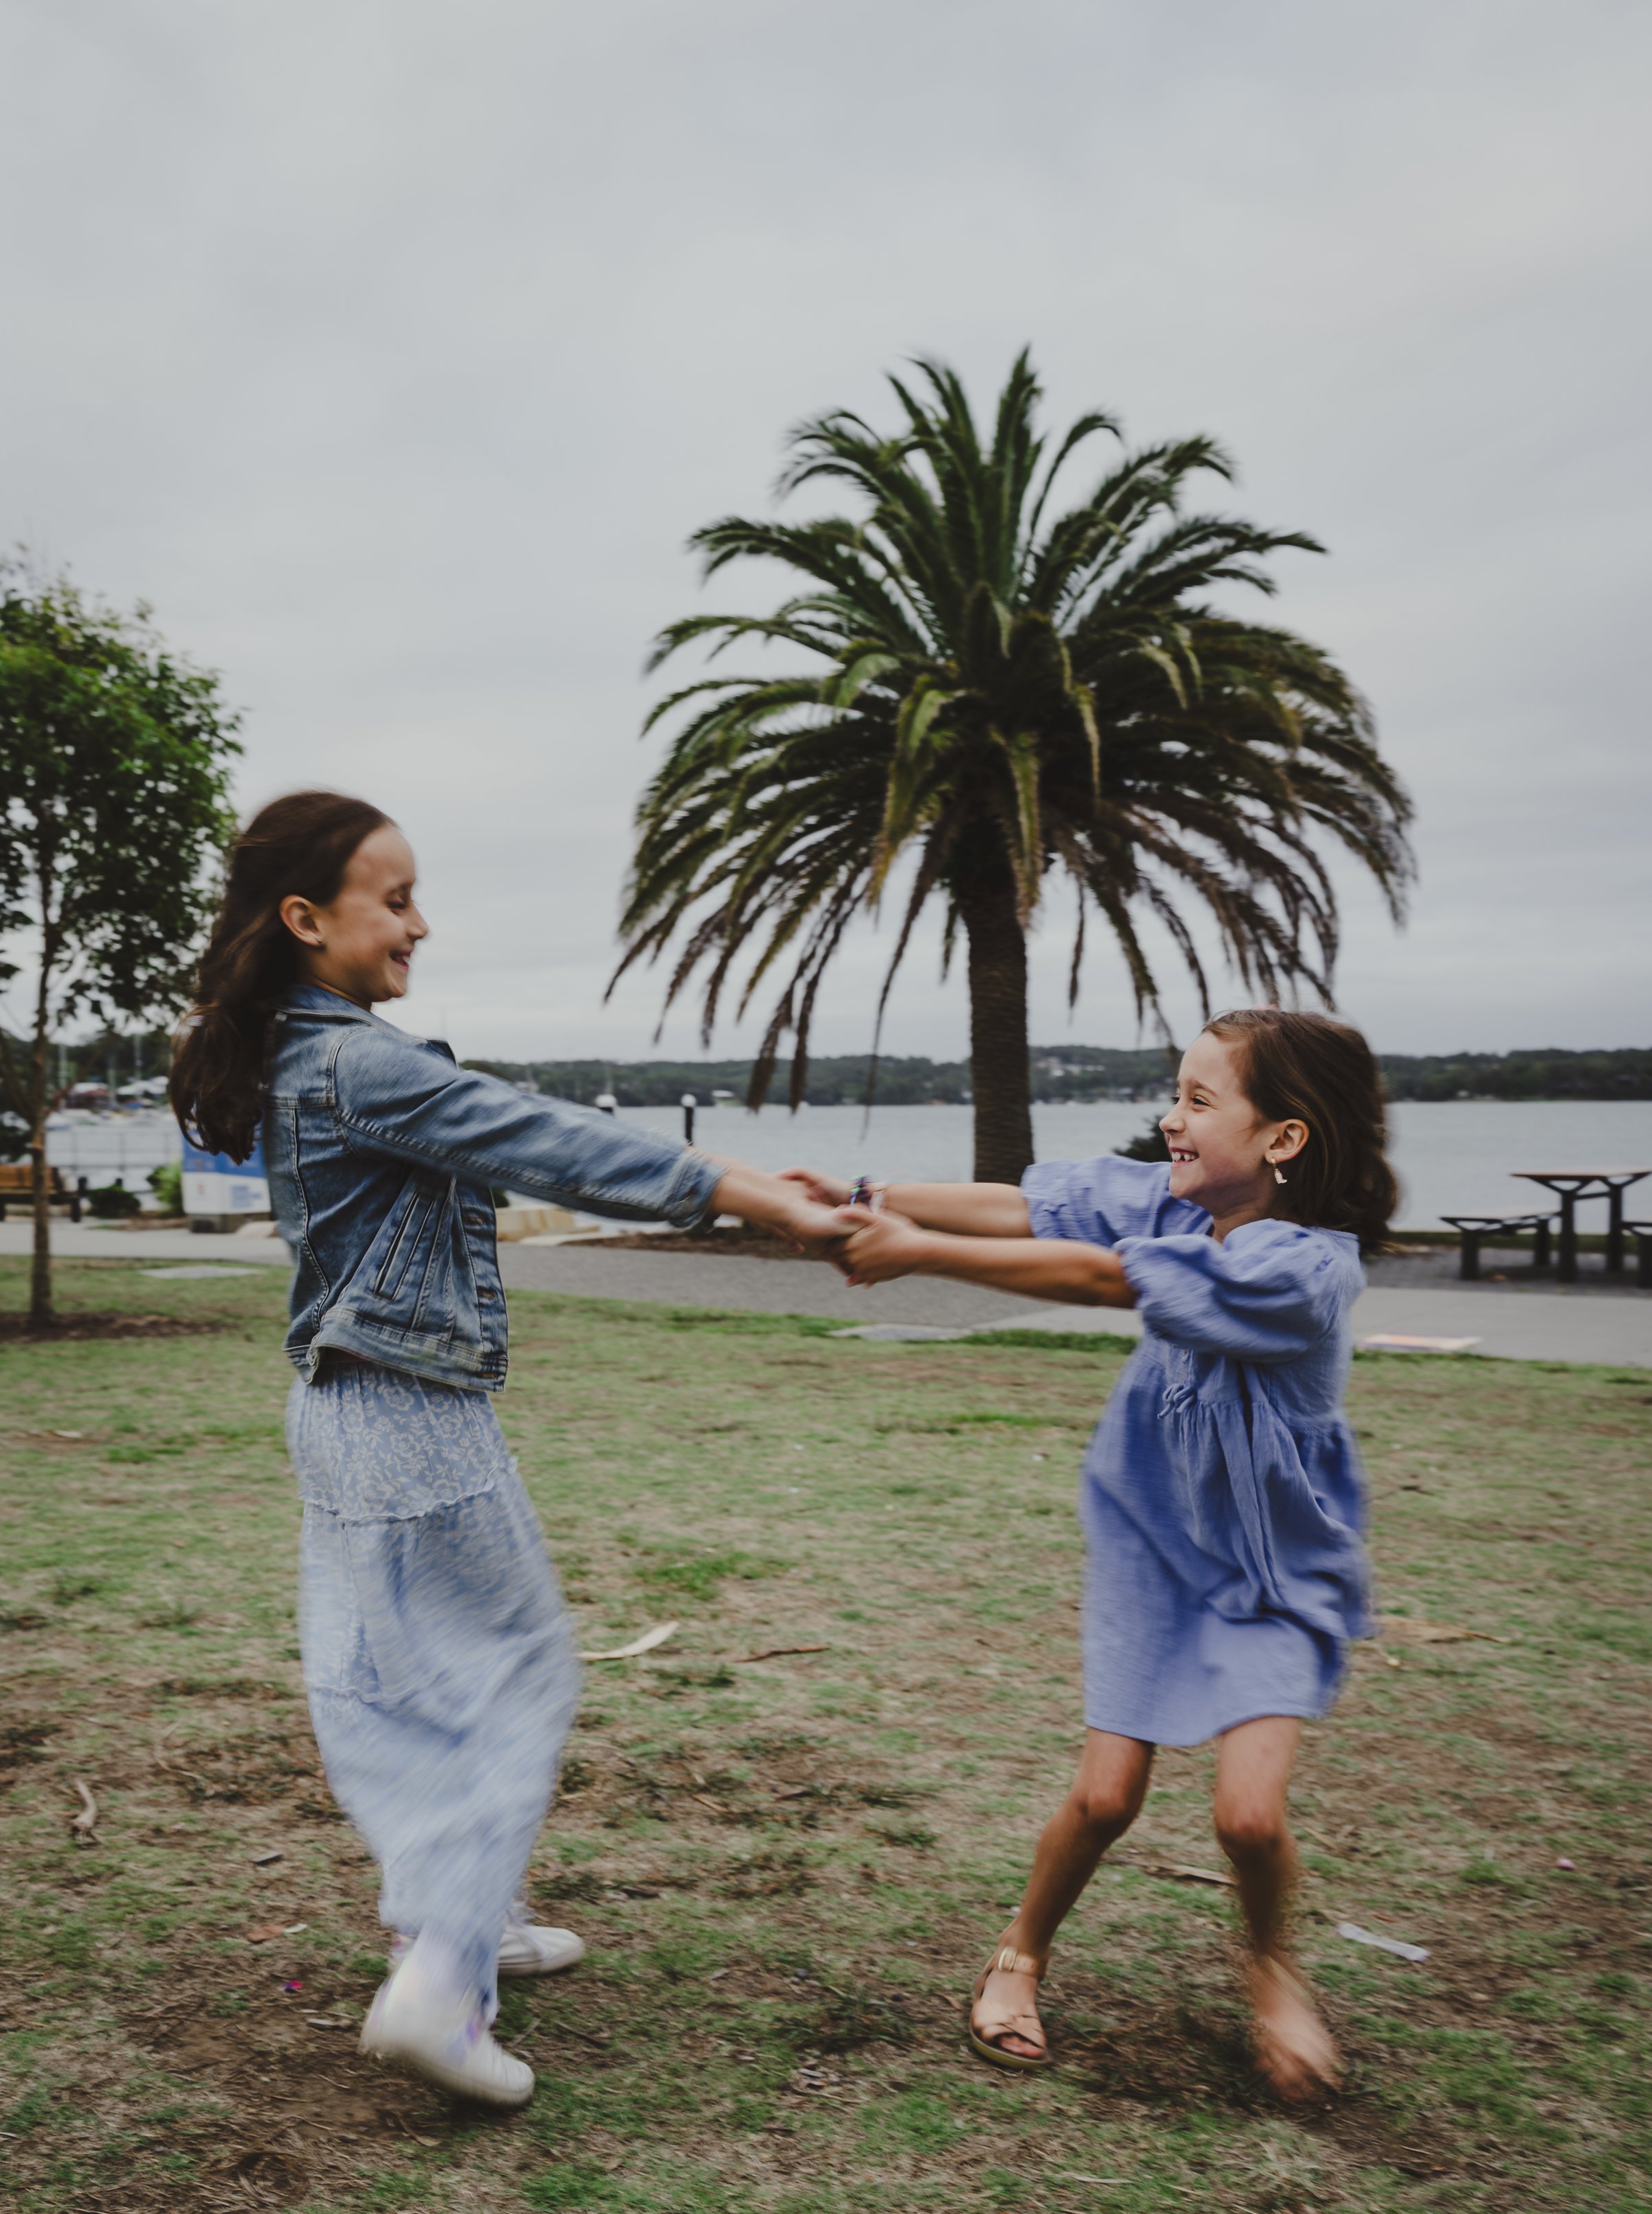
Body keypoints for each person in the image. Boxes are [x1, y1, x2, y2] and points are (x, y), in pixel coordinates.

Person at [170, 791, 844, 2110]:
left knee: (402, 1680)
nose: (422, 922)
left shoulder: (312, 1053)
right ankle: (438, 1984)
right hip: (408, 1415)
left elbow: (505, 1120)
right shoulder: (357, 1063)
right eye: (397, 898)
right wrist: (750, 1191)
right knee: (519, 1675)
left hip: (346, 1407)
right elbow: (548, 1139)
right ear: (308, 919)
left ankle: (475, 1916)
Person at [787, 1008, 1393, 2100]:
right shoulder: (1180, 1198)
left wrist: (922, 1256)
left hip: (1272, 1571)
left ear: (1285, 1140)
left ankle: (1270, 1965)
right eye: (1177, 1091)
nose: (1171, 1118)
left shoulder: (1306, 1273)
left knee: (1248, 1814)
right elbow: (1034, 1202)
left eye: (1200, 1101)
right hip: (1152, 1539)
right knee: (1108, 1796)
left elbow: (1112, 1280)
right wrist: (867, 1195)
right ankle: (1020, 1951)